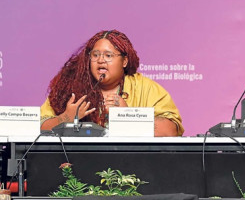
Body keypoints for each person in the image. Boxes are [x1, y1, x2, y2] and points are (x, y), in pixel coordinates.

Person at [41, 30, 184, 136]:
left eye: (108, 55)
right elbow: (37, 128)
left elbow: (170, 130)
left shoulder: (146, 88)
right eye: (95, 55)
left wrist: (126, 116)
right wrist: (66, 118)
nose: (101, 60)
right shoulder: (71, 87)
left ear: (125, 61)